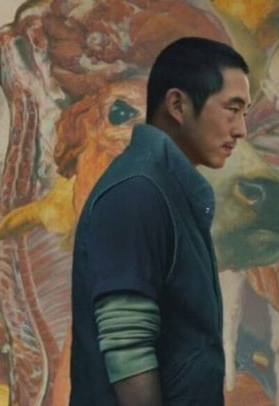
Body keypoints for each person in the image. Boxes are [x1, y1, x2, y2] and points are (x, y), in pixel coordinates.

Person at [69, 37, 251, 405]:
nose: (241, 129)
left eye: (244, 113)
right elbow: (128, 351)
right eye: (232, 110)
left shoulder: (163, 187)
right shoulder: (138, 191)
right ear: (178, 105)